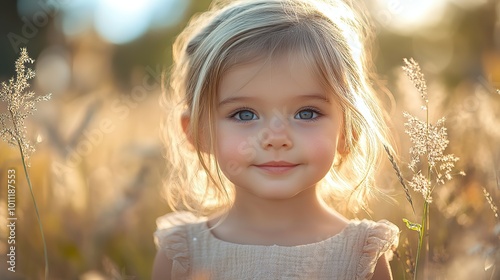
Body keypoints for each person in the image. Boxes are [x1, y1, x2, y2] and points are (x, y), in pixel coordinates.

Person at [152, 0, 399, 279]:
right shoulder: (183, 254)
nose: (277, 139)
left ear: (349, 130)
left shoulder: (361, 256)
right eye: (244, 114)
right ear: (198, 132)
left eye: (307, 113)